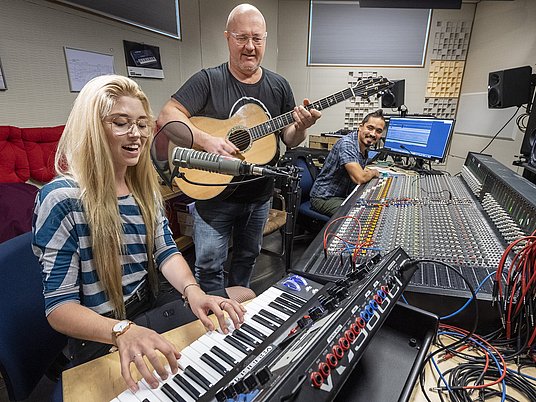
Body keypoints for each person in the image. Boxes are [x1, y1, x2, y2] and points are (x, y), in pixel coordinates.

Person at [32, 74, 246, 393]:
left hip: (149, 302)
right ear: (93, 127)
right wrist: (122, 331)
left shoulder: (142, 189)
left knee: (244, 296)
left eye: (142, 124)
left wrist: (193, 290)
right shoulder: (62, 199)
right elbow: (59, 309)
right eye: (121, 122)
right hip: (105, 331)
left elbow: (166, 252)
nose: (137, 134)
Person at [158, 3, 321, 292]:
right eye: (241, 37)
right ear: (227, 38)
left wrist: (303, 126)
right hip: (213, 197)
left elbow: (290, 138)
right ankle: (210, 321)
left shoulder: (279, 86)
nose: (250, 46)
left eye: (257, 38)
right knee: (209, 266)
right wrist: (208, 141)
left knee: (247, 258)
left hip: (259, 195)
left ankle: (237, 313)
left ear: (265, 40)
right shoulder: (209, 79)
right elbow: (167, 116)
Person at [310, 109, 385, 217]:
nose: (373, 134)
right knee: (361, 215)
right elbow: (359, 178)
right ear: (360, 126)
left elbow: (359, 171)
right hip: (324, 198)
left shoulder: (362, 147)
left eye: (378, 131)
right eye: (370, 128)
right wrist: (374, 172)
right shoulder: (347, 144)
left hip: (342, 196)